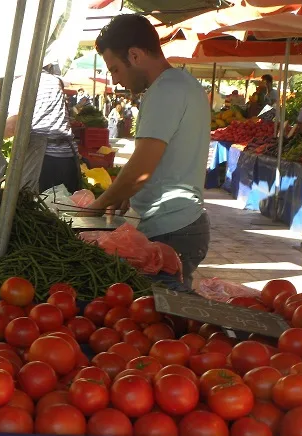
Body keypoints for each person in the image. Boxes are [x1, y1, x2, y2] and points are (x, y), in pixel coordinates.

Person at [83, 14, 211, 288]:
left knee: (160, 319)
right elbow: (159, 162)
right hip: (181, 223)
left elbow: (140, 170)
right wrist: (126, 194)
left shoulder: (165, 91)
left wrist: (97, 206)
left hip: (172, 228)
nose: (115, 81)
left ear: (135, 55)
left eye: (115, 69)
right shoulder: (183, 84)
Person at [5, 65, 80, 193]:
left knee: (40, 208)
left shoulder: (22, 83)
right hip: (68, 156)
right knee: (67, 208)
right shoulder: (55, 81)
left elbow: (11, 127)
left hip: (44, 160)